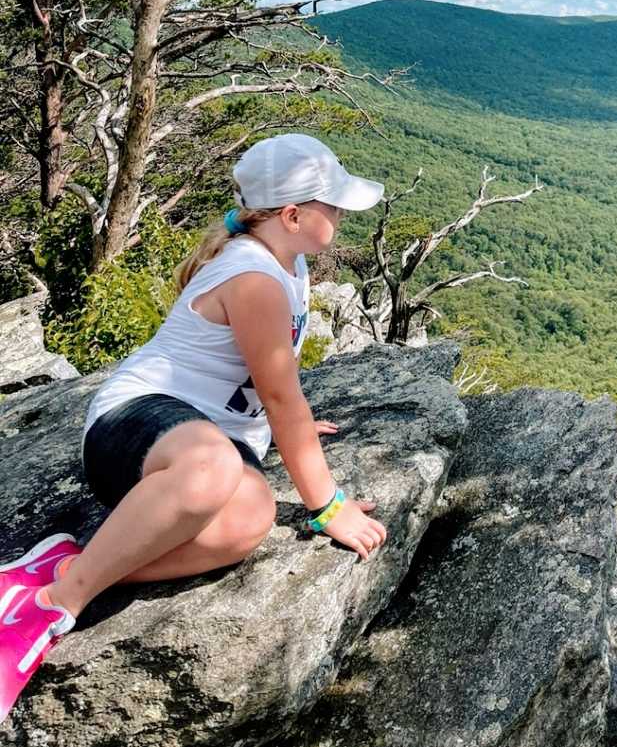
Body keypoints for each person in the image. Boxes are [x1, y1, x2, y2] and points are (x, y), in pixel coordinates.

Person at [0, 134, 388, 722]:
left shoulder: (289, 259)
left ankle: (69, 563)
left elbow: (274, 385)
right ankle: (53, 605)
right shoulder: (254, 276)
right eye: (331, 205)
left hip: (207, 437)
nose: (339, 215)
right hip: (138, 420)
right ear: (292, 215)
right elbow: (283, 397)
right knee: (211, 468)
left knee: (247, 524)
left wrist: (295, 427)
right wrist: (328, 506)